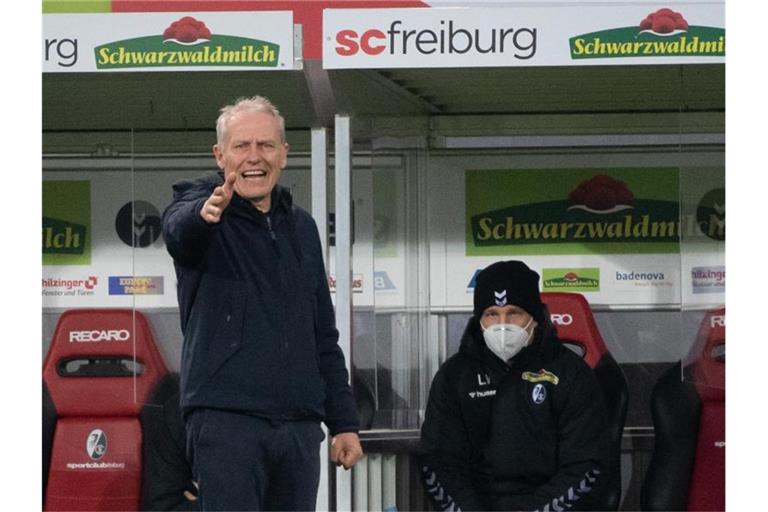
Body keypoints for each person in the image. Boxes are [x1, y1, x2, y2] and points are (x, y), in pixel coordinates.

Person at [162, 95, 363, 511]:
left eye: (266, 145)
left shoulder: (303, 227)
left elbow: (323, 335)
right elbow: (180, 231)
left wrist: (343, 422)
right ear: (220, 156)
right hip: (225, 423)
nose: (255, 157)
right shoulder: (200, 208)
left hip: (299, 429)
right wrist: (204, 212)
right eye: (241, 146)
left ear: (285, 155)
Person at [420, 260, 610, 511]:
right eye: (492, 314)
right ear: (479, 319)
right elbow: (440, 462)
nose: (502, 324)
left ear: (534, 317)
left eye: (514, 313)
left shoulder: (572, 374)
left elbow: (586, 465)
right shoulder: (454, 376)